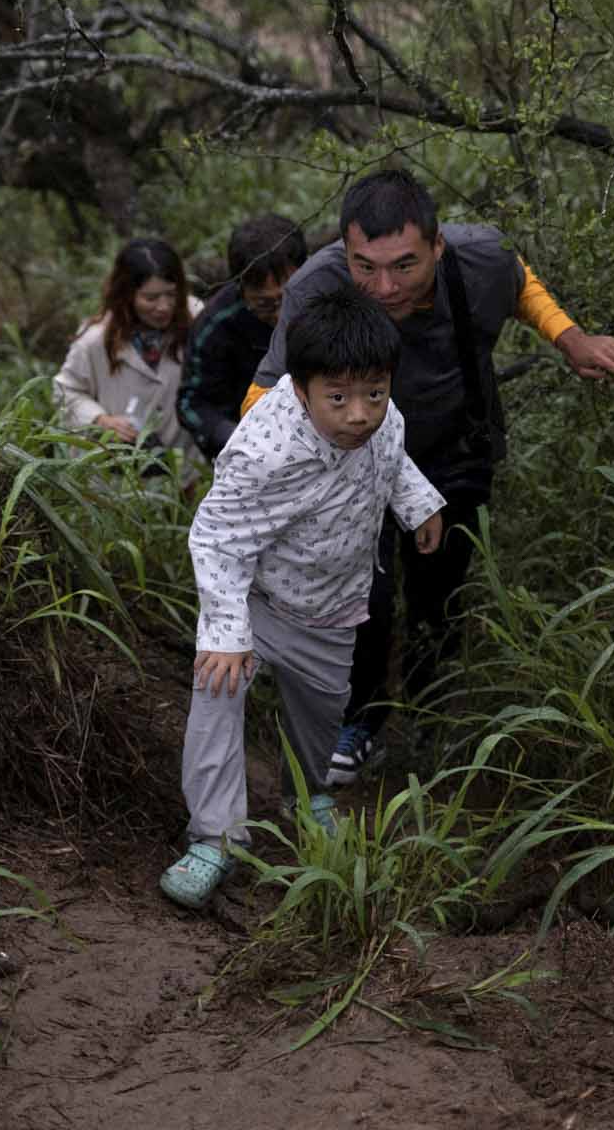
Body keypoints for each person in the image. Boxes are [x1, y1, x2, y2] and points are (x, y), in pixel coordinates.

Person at [242, 168, 614, 785]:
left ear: (437, 246)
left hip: (455, 448)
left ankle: (429, 715)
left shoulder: (479, 257)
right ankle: (362, 720)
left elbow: (519, 281)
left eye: (404, 266)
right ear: (344, 251)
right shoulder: (318, 285)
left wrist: (570, 338)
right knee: (363, 596)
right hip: (352, 464)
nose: (383, 286)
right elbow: (266, 388)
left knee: (439, 593)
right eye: (365, 266)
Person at [161, 287, 445, 910]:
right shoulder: (266, 452)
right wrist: (228, 633)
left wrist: (418, 503)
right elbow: (216, 537)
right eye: (337, 398)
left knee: (321, 717)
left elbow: (392, 459)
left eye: (374, 391)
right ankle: (213, 837)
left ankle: (308, 794)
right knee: (216, 694)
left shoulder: (383, 418)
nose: (359, 414)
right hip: (257, 605)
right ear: (299, 389)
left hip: (332, 607)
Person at [52, 238, 206, 463]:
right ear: (126, 295)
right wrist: (101, 420)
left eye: (171, 294)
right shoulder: (95, 340)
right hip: (117, 477)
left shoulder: (197, 319)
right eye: (150, 298)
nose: (163, 307)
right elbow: (65, 392)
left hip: (184, 469)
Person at [177, 214, 309, 460]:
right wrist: (237, 439)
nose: (282, 315)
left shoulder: (332, 294)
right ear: (241, 287)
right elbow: (192, 404)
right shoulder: (215, 325)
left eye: (290, 298)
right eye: (265, 304)